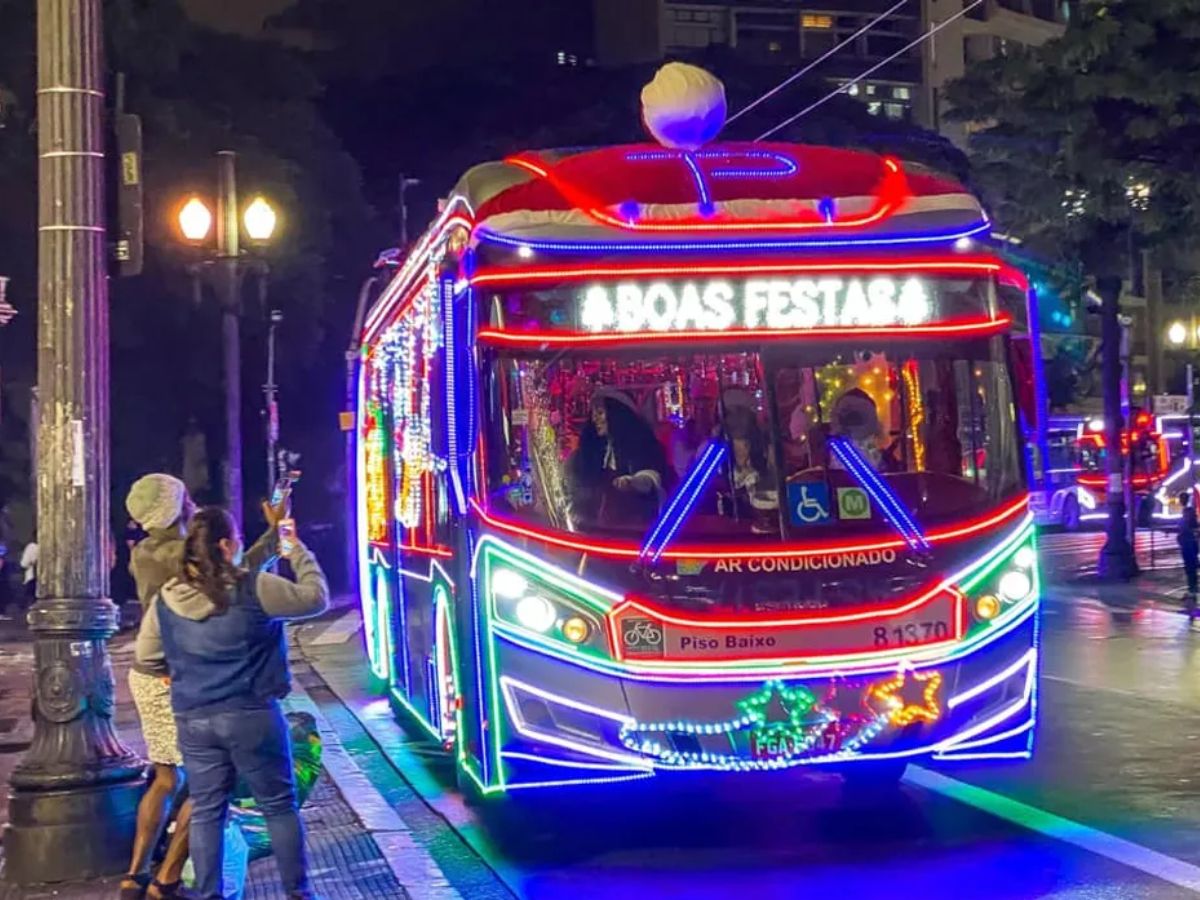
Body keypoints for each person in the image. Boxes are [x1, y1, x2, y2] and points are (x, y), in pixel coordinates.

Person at [136, 507, 329, 900]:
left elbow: (148, 657)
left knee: (208, 808)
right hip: (252, 713)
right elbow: (316, 598)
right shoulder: (254, 587)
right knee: (278, 805)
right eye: (237, 539)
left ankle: (209, 894)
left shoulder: (165, 599)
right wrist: (296, 550)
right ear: (225, 546)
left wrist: (184, 668)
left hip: (194, 718)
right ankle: (298, 893)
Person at [121, 475, 283, 900]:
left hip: (146, 670)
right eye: (185, 498)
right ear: (176, 508)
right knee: (212, 784)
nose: (192, 502)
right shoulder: (182, 555)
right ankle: (167, 878)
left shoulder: (141, 553)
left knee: (164, 778)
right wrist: (276, 530)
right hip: (180, 673)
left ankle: (133, 875)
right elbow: (240, 571)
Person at [566, 392, 671, 526]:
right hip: (600, 529)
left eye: (600, 413)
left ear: (616, 415)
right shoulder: (594, 452)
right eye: (593, 413)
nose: (594, 419)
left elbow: (652, 478)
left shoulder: (642, 445)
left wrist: (632, 482)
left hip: (635, 527)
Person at [1178, 491, 1200, 631]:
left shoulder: (1187, 514)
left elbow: (1185, 530)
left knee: (1191, 568)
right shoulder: (1188, 513)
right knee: (1190, 568)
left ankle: (1192, 591)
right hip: (1189, 544)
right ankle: (1191, 590)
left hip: (1188, 545)